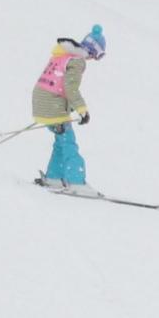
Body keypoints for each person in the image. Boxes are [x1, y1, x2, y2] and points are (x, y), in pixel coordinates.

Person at [31, 24, 106, 196]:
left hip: (42, 102)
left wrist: (65, 106)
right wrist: (82, 109)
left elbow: (57, 84)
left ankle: (54, 177)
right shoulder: (78, 61)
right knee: (69, 143)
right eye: (99, 55)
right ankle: (76, 182)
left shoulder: (63, 56)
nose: (94, 59)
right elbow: (70, 88)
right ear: (93, 51)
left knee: (61, 141)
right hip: (52, 105)